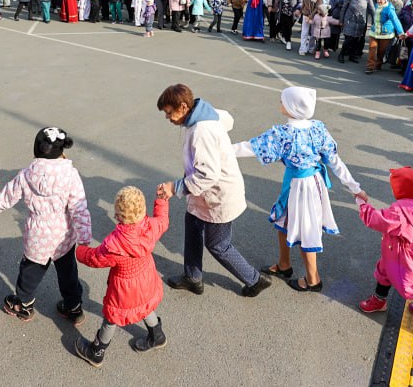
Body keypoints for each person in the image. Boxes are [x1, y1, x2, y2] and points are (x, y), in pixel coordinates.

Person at [233, 87, 366, 292]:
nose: (280, 103)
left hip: (301, 187)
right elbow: (335, 161)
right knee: (282, 220)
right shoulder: (317, 128)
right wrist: (354, 187)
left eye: (283, 101)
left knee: (306, 230)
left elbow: (251, 147)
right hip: (311, 182)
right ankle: (284, 264)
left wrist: (220, 150)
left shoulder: (284, 133)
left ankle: (313, 280)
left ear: (292, 107)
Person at [155, 84, 271, 298]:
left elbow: (208, 175)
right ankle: (193, 277)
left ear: (183, 107)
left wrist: (175, 187)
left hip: (219, 196)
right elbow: (227, 119)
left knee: (218, 244)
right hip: (203, 195)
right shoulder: (206, 114)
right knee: (192, 225)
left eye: (169, 113)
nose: (168, 118)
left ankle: (255, 280)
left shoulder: (202, 131)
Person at [0, 126, 91, 323]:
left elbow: (5, 199)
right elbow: (79, 208)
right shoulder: (70, 174)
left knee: (30, 272)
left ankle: (24, 304)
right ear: (62, 151)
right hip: (64, 234)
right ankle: (74, 307)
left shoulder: (27, 175)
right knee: (68, 272)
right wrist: (85, 237)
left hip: (38, 237)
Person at [75, 186, 170, 366]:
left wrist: (79, 251)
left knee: (112, 318)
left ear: (118, 215)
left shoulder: (115, 244)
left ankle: (96, 351)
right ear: (142, 210)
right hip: (146, 277)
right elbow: (162, 220)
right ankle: (157, 335)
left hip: (125, 289)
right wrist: (162, 200)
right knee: (145, 305)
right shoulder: (151, 226)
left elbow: (95, 258)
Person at [356, 167, 413, 319]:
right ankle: (379, 300)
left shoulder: (400, 212)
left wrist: (362, 205)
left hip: (401, 256)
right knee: (384, 273)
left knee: (408, 284)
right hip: (395, 251)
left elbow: (376, 219)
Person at [366, 0, 405, 75]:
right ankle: (370, 66)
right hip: (374, 31)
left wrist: (400, 32)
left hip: (385, 33)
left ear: (385, 0)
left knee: (381, 50)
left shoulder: (389, 8)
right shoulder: (376, 5)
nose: (379, 1)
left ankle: (378, 63)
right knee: (372, 48)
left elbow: (395, 20)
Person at [336, 0, 374, 64]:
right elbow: (343, 8)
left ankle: (352, 55)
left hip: (361, 22)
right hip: (350, 21)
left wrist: (374, 22)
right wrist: (341, 20)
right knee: (349, 39)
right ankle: (341, 54)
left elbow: (372, 10)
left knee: (356, 40)